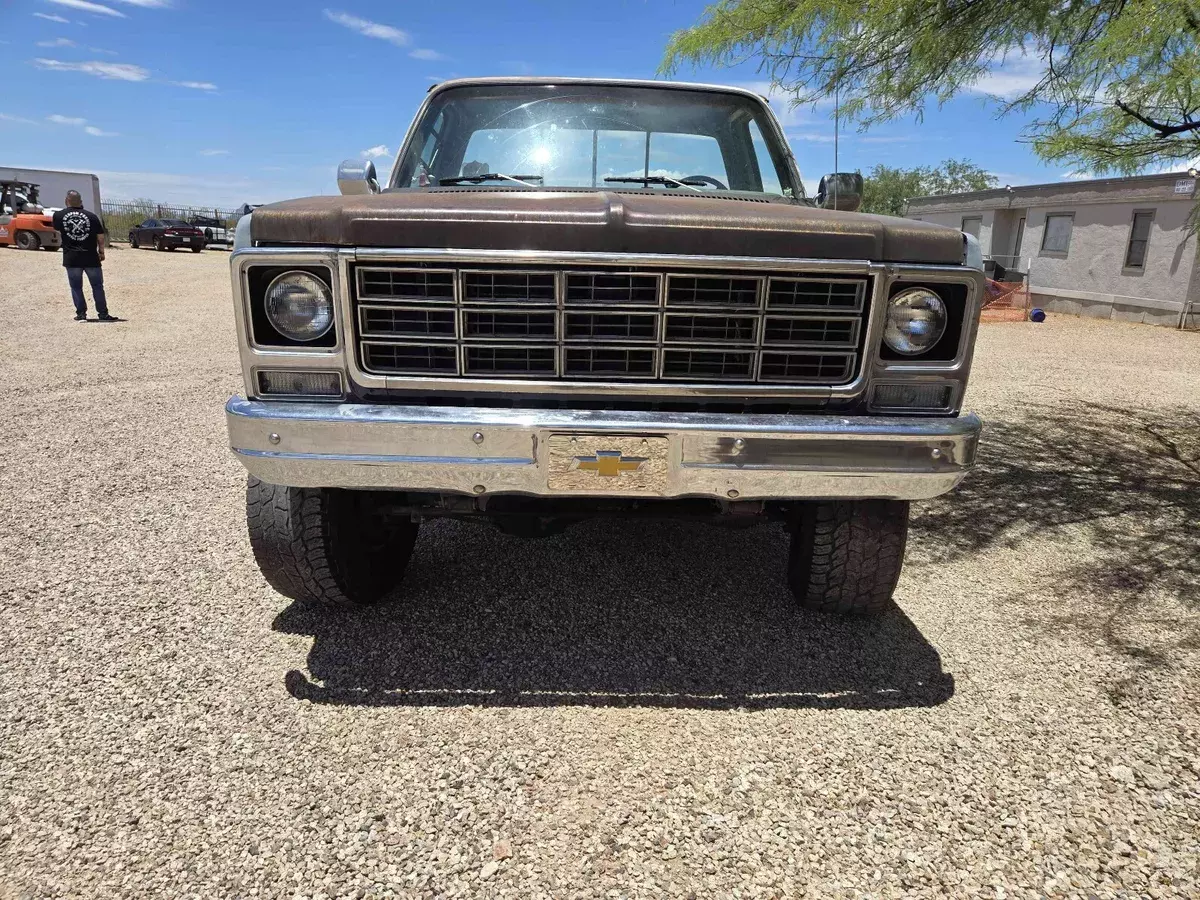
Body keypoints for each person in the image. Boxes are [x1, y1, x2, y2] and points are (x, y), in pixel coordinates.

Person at [52, 190, 118, 322]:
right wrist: (101, 252)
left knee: (76, 287)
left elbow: (58, 230)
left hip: (71, 257)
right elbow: (100, 236)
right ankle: (103, 314)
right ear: (81, 202)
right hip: (91, 257)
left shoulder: (58, 215)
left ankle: (81, 314)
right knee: (97, 286)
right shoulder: (92, 217)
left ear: (66, 200)